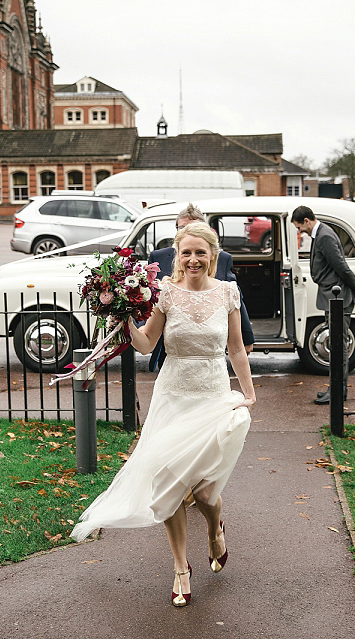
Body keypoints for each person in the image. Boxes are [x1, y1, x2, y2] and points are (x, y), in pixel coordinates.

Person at [70, 221, 256, 609]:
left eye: (200, 252)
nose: (192, 259)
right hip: (173, 396)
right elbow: (145, 344)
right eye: (185, 252)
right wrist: (123, 319)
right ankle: (180, 569)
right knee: (170, 484)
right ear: (177, 255)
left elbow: (237, 349)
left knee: (205, 492)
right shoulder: (165, 294)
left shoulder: (228, 293)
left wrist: (249, 393)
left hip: (212, 395)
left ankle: (215, 529)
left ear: (213, 255)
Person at [147, 203, 254, 371]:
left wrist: (246, 336)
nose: (187, 233)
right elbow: (151, 298)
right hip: (171, 340)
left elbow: (235, 299)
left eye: (194, 228)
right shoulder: (158, 257)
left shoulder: (222, 258)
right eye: (181, 228)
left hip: (207, 341)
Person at [290, 205, 355, 405]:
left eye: (300, 227)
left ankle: (338, 392)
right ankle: (335, 389)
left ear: (307, 220)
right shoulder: (321, 234)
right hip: (331, 295)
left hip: (338, 297)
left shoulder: (324, 236)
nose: (300, 232)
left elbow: (340, 265)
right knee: (336, 344)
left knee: (338, 346)